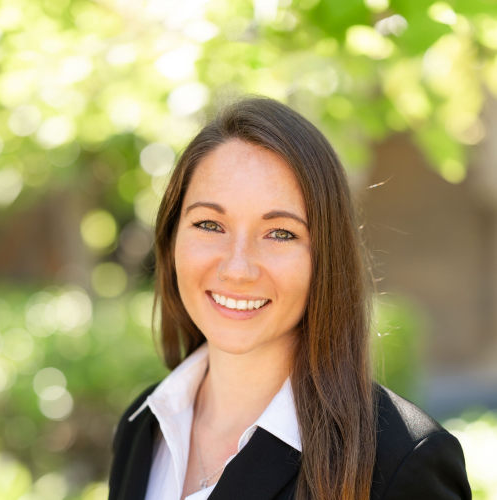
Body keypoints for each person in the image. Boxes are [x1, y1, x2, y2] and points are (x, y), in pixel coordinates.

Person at [108, 97, 471, 500]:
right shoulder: (143, 427)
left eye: (280, 233)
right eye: (210, 224)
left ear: (326, 258)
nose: (237, 268)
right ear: (172, 237)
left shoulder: (401, 462)